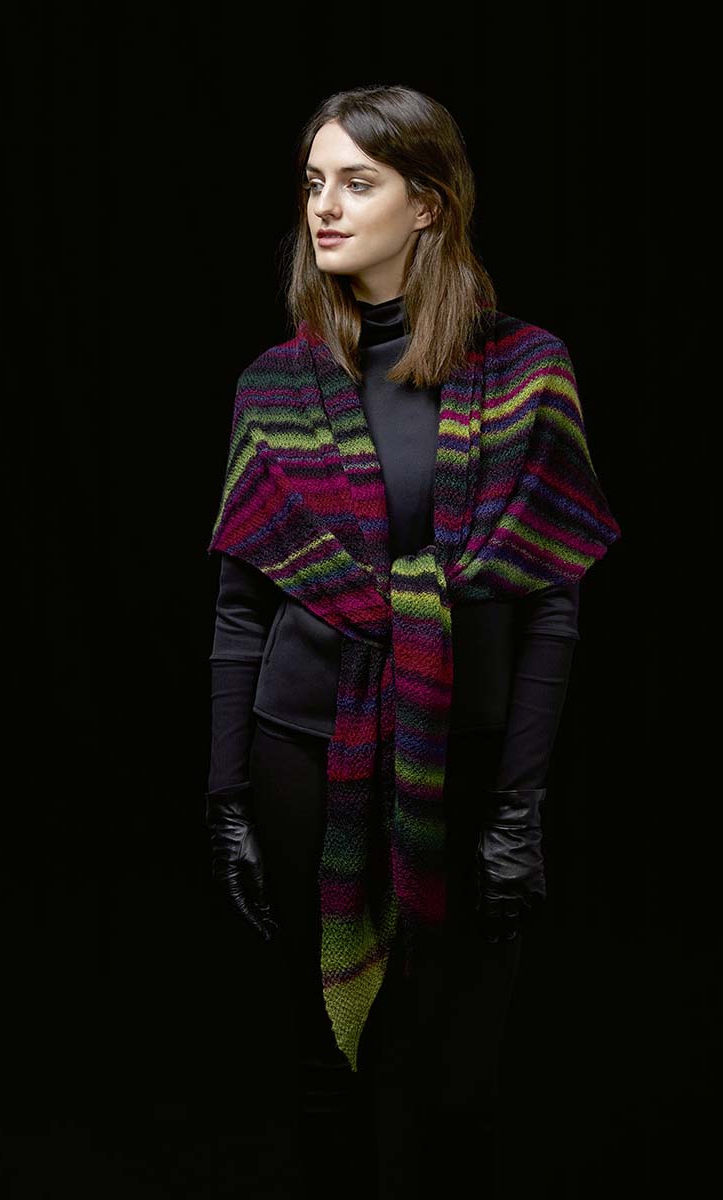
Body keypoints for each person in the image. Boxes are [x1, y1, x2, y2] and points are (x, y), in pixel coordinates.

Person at [204, 84, 621, 1199]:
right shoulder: (276, 384)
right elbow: (241, 610)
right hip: (303, 753)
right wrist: (228, 797)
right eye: (313, 183)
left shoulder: (527, 369)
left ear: (427, 202)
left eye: (357, 182)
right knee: (324, 1062)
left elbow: (551, 605)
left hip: (467, 758)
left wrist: (518, 811)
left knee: (460, 1071)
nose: (324, 208)